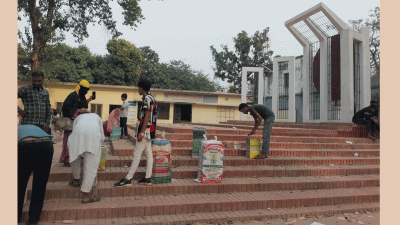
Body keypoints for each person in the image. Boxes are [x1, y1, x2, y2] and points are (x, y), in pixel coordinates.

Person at [114, 79, 157, 187]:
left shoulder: (147, 98)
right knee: (149, 154)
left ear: (141, 88)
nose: (138, 89)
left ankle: (128, 179)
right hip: (150, 131)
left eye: (138, 88)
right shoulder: (152, 97)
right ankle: (147, 178)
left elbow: (147, 115)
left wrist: (141, 133)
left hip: (145, 131)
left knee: (137, 155)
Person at [18, 125, 54, 225]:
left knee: (19, 184)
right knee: (40, 184)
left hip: (27, 146)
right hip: (47, 145)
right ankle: (33, 220)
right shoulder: (30, 128)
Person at [67, 112, 105, 203]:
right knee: (91, 166)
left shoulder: (78, 117)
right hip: (93, 136)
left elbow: (75, 131)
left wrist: (81, 152)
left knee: (74, 156)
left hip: (76, 136)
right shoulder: (97, 116)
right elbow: (102, 136)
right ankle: (86, 196)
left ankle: (76, 180)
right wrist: (98, 147)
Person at [59, 79, 94, 167]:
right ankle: (67, 159)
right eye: (85, 89)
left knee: (78, 142)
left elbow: (83, 105)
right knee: (69, 142)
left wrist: (88, 100)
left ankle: (76, 159)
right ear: (80, 87)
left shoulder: (82, 97)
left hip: (79, 125)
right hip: (70, 124)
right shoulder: (72, 96)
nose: (86, 91)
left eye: (87, 89)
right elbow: (66, 108)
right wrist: (78, 111)